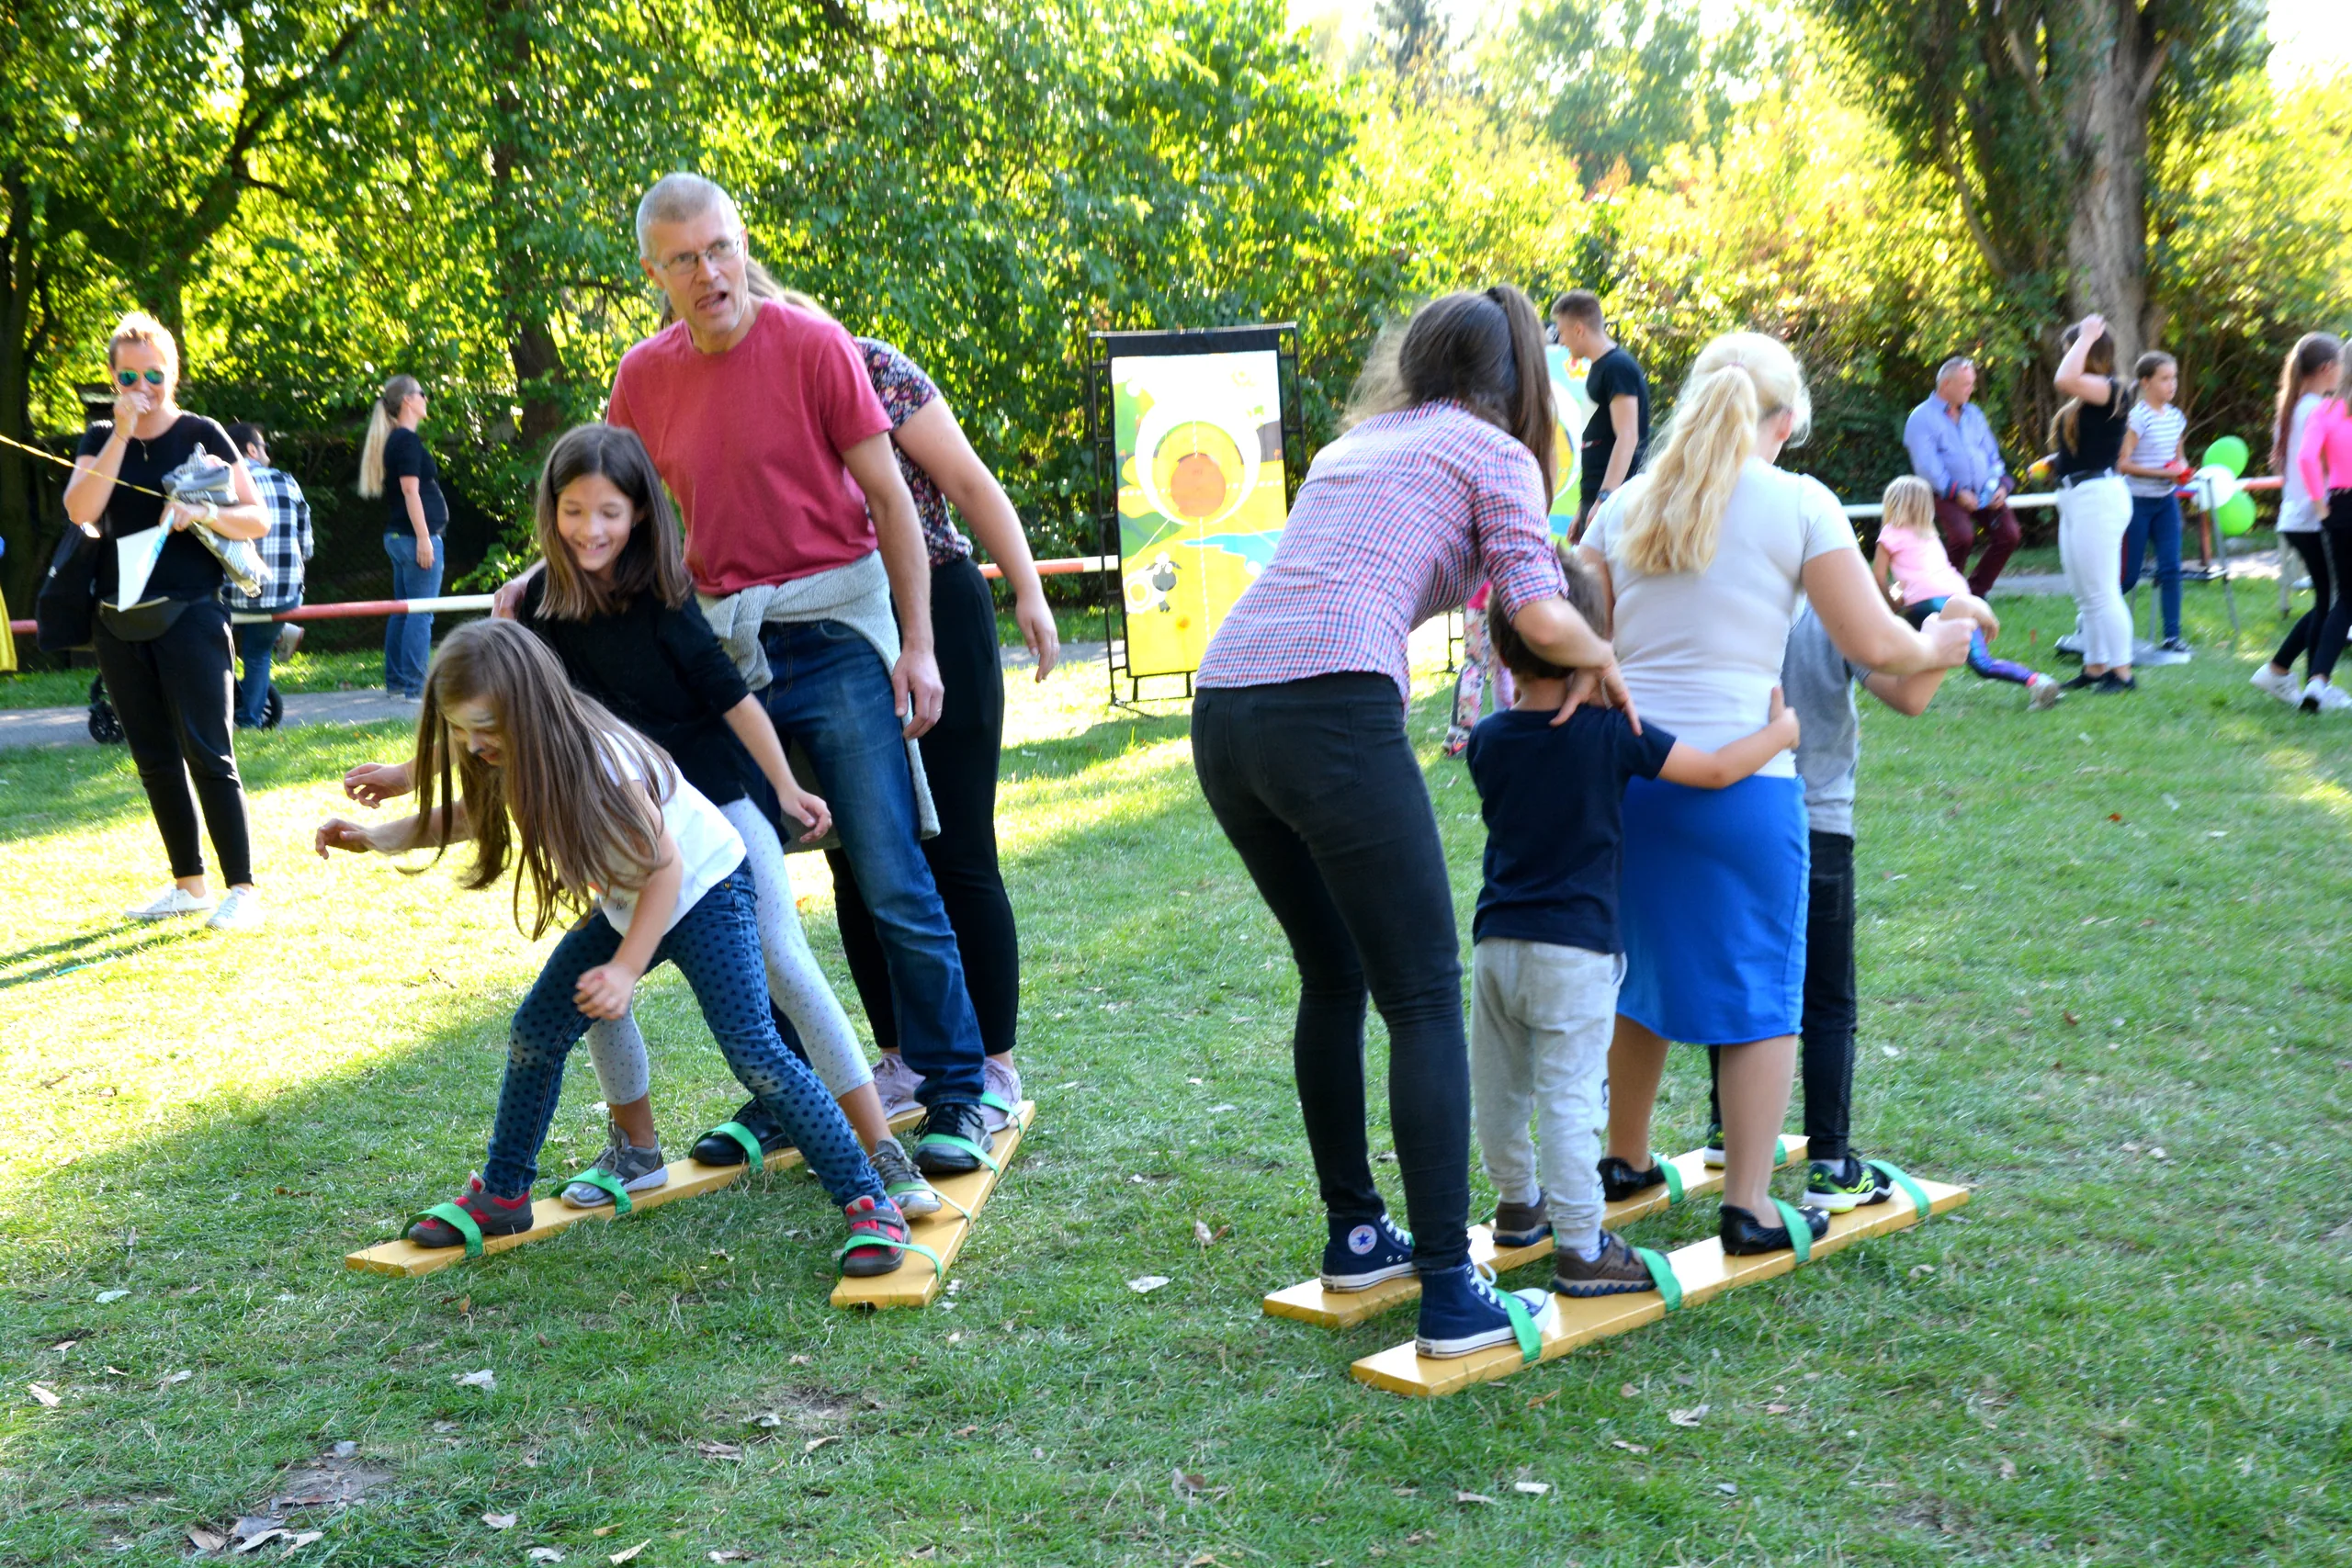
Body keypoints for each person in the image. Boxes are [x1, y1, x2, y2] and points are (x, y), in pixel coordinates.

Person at [500, 173, 995, 1179]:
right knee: (737, 884)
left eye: (720, 248)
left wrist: (917, 642)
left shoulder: (813, 345)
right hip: (720, 646)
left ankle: (957, 1092)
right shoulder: (643, 375)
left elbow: (894, 504)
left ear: (741, 243)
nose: (709, 271)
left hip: (831, 631)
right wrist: (527, 583)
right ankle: (788, 1090)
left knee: (891, 869)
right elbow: (610, 501)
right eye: (684, 259)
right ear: (654, 274)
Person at [340, 424, 941, 1217]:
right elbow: (485, 731)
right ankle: (635, 1147)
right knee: (596, 986)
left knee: (779, 965)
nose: (591, 528)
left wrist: (782, 788)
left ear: (640, 516)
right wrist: (403, 787)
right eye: (573, 510)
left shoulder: (662, 601)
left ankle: (879, 1152)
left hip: (704, 810)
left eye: (610, 512)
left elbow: (731, 698)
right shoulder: (535, 620)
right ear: (550, 512)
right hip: (615, 819)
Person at [1193, 286, 1629, 1361]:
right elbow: (1533, 606)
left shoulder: (1355, 446)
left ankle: (1356, 1235)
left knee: (1335, 977)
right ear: (1521, 379)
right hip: (1328, 707)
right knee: (1425, 992)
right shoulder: (1495, 453)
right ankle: (1448, 1290)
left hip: (1224, 708)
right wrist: (1607, 653)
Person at [312, 619, 916, 1278]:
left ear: (528, 702)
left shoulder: (601, 758)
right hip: (630, 898)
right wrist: (378, 837)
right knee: (535, 1029)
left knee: (755, 1050)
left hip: (703, 888)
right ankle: (504, 1192)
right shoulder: (509, 752)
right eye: (457, 728)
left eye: (483, 724)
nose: (472, 742)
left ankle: (868, 1198)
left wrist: (627, 968)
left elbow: (667, 868)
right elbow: (473, 816)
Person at [1578, 331, 1970, 1260]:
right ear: (1784, 421)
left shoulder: (1624, 505)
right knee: (1763, 990)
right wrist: (1939, 646)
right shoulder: (1800, 502)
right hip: (1745, 782)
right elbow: (1875, 645)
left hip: (1629, 780)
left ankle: (1623, 1160)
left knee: (1637, 972)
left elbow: (1585, 638)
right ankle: (1749, 1206)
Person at [1467, 549, 1798, 1298]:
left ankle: (1519, 1208)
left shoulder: (1487, 741)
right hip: (1575, 952)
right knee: (1570, 1094)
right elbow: (1713, 770)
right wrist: (1781, 734)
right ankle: (1583, 1248)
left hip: (1495, 945)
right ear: (1591, 642)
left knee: (1500, 1086)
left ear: (1503, 644)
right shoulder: (1613, 732)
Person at [1698, 594, 1990, 1210]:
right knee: (1828, 997)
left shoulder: (1722, 595)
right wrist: (1950, 629)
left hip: (1731, 816)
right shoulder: (1831, 606)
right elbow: (1909, 696)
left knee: (1741, 975)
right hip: (1814, 822)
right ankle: (1830, 1161)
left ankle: (1729, 1127)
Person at [61, 311, 270, 931]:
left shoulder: (201, 432)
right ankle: (189, 883)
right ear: (113, 377)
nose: (144, 385)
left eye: (155, 372)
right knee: (152, 754)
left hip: (191, 612)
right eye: (130, 375)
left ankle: (242, 887)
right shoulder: (100, 435)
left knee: (209, 748)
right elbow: (81, 510)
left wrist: (202, 512)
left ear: (172, 371)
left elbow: (255, 519)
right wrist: (119, 436)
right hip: (118, 615)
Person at [1871, 476, 2062, 708]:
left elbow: (1878, 577)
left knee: (1901, 644)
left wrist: (1891, 603)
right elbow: (1919, 573)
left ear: (1891, 503)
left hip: (1924, 603)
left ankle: (1896, 690)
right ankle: (2038, 680)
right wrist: (1901, 592)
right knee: (1982, 662)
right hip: (1960, 596)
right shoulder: (1928, 534)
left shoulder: (1890, 533)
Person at [2252, 333, 2343, 705]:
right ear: (2326, 369)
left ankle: (2281, 673)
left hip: (2296, 516)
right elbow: (2320, 463)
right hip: (2313, 516)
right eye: (2341, 366)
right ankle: (2302, 678)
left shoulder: (2294, 408)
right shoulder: (2316, 410)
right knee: (2335, 602)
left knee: (2328, 601)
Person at [2050, 315, 2136, 693]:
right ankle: (2095, 667)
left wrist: (2084, 337)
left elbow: (2064, 378)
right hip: (2076, 496)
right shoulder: (2087, 401)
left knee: (2102, 591)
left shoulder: (2114, 390)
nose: (2066, 357)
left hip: (2098, 499)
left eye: (2070, 351)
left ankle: (2123, 672)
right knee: (2085, 592)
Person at [1902, 356, 2022, 597]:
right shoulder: (1921, 417)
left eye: (1972, 383)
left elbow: (1993, 455)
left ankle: (1975, 593)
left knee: (2009, 535)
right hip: (1943, 493)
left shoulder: (1974, 414)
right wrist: (1956, 492)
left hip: (1985, 491)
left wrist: (2000, 486)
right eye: (1966, 384)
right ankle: (1941, 593)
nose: (1972, 389)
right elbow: (1927, 467)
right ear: (1946, 385)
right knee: (1962, 537)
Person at [358, 375, 445, 699]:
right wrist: (424, 538)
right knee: (420, 612)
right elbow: (411, 491)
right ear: (408, 400)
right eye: (423, 393)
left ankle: (397, 683)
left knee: (404, 609)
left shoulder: (395, 439)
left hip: (398, 537)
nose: (427, 399)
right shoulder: (406, 441)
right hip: (413, 538)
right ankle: (414, 687)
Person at [222, 422, 312, 728]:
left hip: (231, 595)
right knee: (258, 654)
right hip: (282, 595)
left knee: (214, 648)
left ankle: (218, 713)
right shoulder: (287, 482)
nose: (267, 454)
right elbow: (307, 545)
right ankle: (250, 721)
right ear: (251, 449)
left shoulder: (220, 483)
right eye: (264, 448)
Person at [1551, 290, 1649, 531]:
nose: (1561, 341)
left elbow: (1628, 436)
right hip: (1597, 500)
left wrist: (1603, 500)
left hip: (1617, 503)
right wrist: (1583, 506)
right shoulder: (1599, 368)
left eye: (1561, 332)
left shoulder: (1617, 367)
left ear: (1579, 330)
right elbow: (1597, 441)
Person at [2119, 351, 2192, 657]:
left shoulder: (2176, 417)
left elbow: (2179, 457)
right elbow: (2122, 463)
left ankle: (2172, 636)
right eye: (2164, 379)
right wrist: (2162, 473)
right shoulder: (2137, 417)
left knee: (2172, 568)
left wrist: (2183, 472)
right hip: (2136, 502)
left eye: (2173, 378)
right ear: (2145, 382)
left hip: (2166, 503)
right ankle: (2093, 624)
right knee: (2129, 573)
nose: (2171, 384)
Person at [2290, 371, 2352, 714]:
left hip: (2340, 506)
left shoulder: (2327, 410)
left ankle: (2317, 682)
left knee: (2345, 599)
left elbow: (2305, 458)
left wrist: (2320, 505)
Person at [1442, 580, 1515, 757]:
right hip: (1501, 598)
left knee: (1478, 666)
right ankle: (1464, 738)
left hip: (1479, 599)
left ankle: (1459, 735)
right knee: (1494, 667)